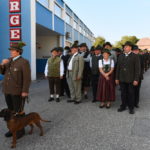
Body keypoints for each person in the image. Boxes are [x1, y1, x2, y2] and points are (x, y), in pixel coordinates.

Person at [0, 42, 31, 138]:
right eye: (10, 50)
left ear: (18, 52)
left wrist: (25, 90)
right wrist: (2, 64)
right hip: (7, 90)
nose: (11, 52)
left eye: (12, 50)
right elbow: (3, 72)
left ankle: (20, 131)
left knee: (18, 111)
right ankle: (12, 129)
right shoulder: (8, 61)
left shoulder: (24, 62)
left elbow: (27, 78)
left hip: (17, 91)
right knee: (10, 111)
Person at [116, 41, 141, 114]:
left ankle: (131, 107)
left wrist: (136, 79)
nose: (124, 48)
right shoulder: (121, 56)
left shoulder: (135, 56)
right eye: (124, 47)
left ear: (130, 47)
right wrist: (117, 78)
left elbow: (137, 69)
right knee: (123, 93)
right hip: (122, 78)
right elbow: (118, 68)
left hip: (131, 79)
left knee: (131, 94)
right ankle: (123, 106)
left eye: (126, 47)